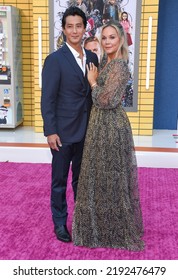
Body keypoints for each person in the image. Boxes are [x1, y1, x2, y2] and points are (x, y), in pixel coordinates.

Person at [72, 20, 144, 250]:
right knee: (99, 176)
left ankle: (114, 229)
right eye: (104, 38)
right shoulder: (105, 61)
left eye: (112, 37)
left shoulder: (120, 65)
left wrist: (93, 82)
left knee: (110, 177)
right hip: (99, 124)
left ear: (121, 39)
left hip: (111, 126)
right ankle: (100, 226)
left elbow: (107, 100)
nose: (107, 41)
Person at [41, 6, 98, 243]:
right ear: (64, 30)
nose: (75, 31)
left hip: (88, 130)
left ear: (85, 28)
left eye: (79, 26)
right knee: (60, 181)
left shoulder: (93, 58)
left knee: (82, 180)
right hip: (63, 133)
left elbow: (93, 94)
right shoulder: (55, 60)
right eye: (70, 26)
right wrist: (50, 131)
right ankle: (60, 223)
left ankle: (83, 219)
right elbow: (48, 98)